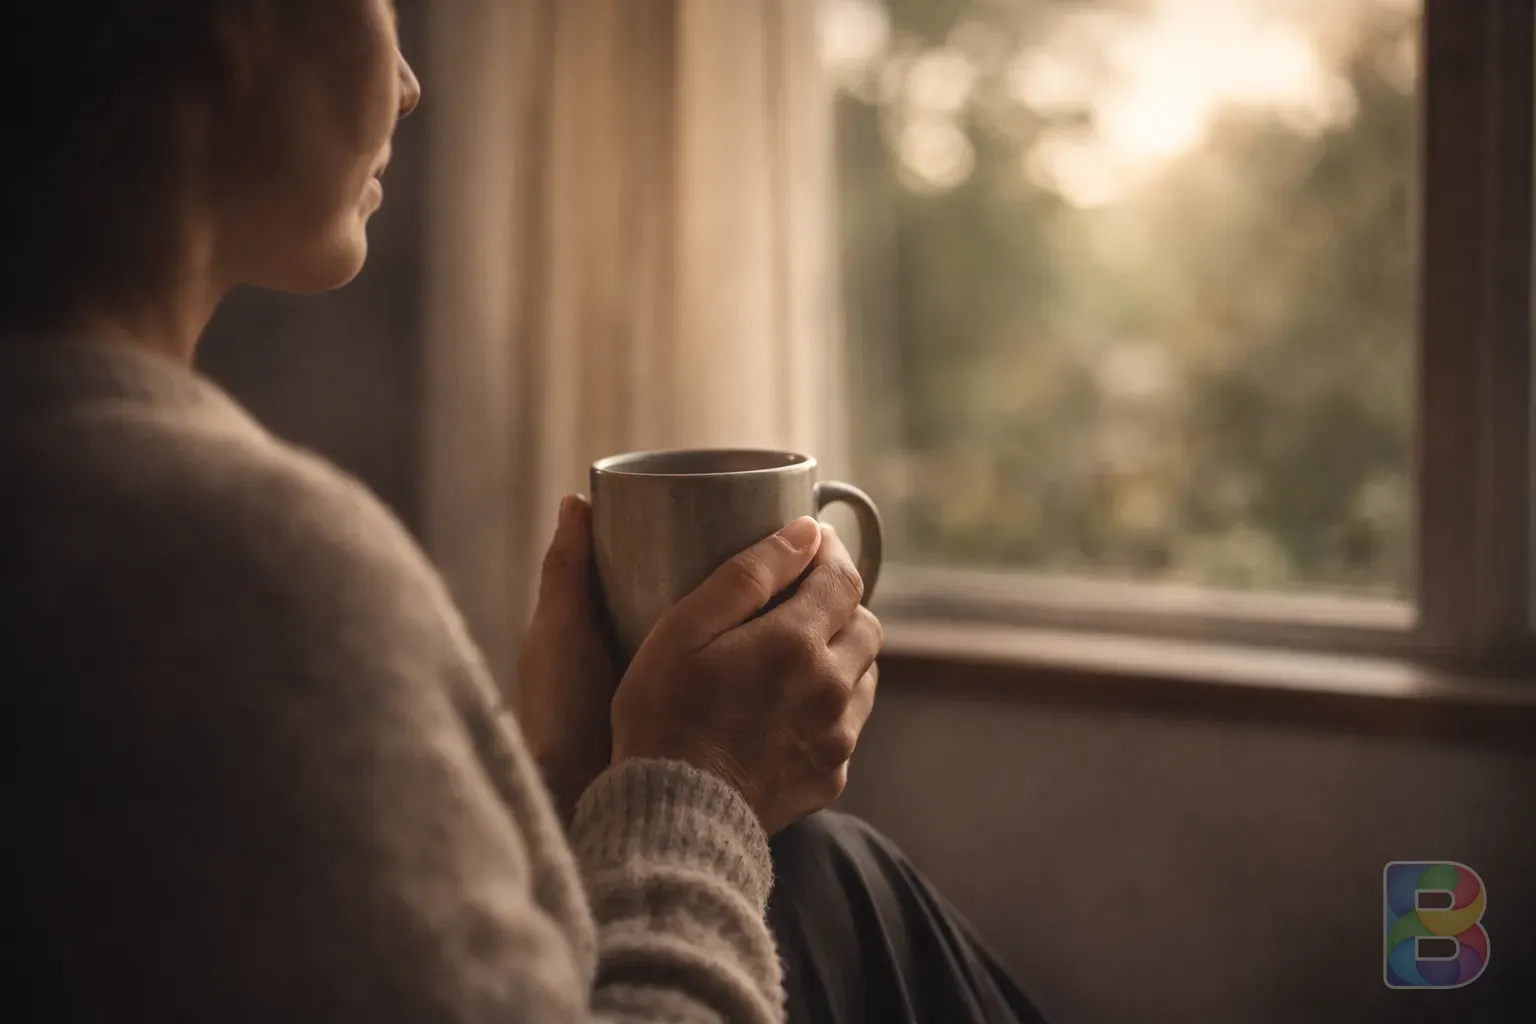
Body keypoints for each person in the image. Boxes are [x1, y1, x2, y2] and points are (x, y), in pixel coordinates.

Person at [1, 3, 1045, 1022]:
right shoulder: (230, 565)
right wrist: (701, 783)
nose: (409, 85)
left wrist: (560, 781)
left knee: (820, 863)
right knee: (830, 877)